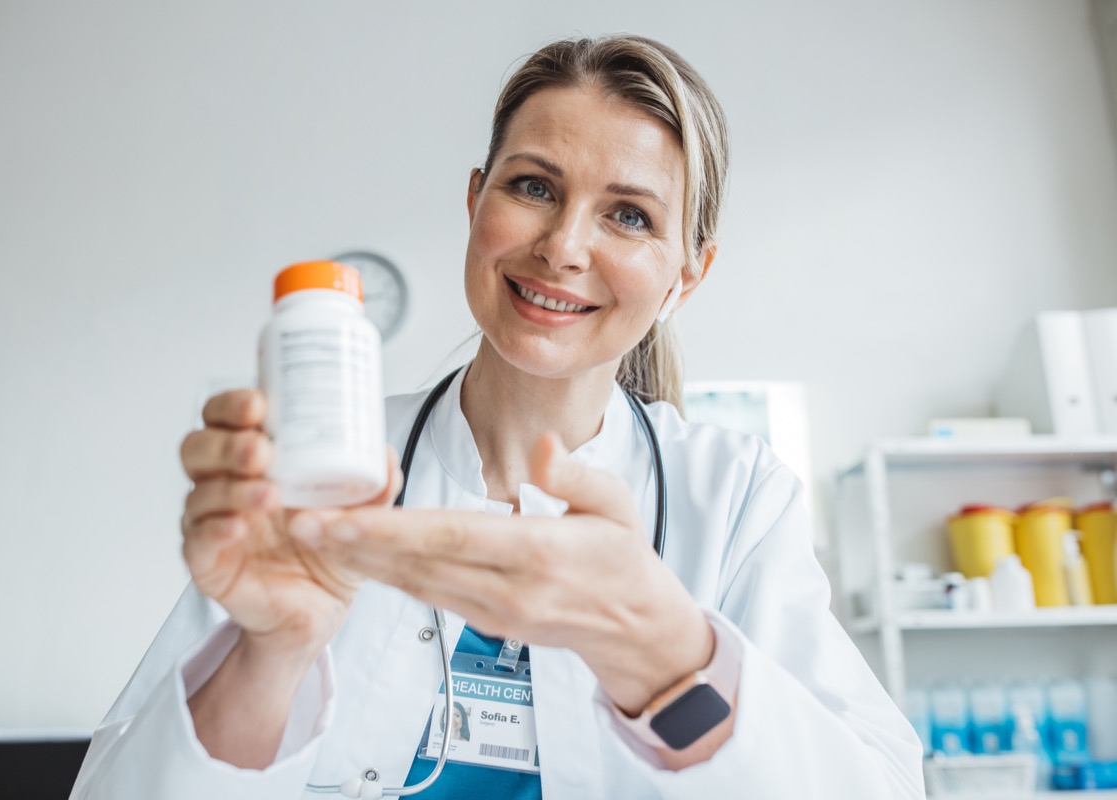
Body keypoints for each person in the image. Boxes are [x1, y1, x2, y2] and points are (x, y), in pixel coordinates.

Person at [70, 35, 924, 799]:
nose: (563, 246)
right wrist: (271, 653)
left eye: (629, 215)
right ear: (477, 200)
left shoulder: (733, 498)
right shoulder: (324, 470)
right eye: (533, 187)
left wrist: (667, 654)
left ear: (687, 275)